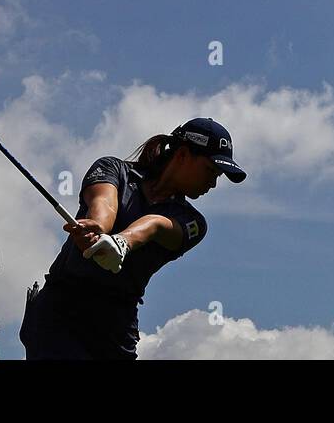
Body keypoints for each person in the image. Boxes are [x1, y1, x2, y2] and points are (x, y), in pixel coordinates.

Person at [19, 117, 246, 359]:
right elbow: (104, 204)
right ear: (182, 155)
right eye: (210, 170)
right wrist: (98, 230)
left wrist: (122, 242)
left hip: (115, 327)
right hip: (59, 312)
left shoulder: (194, 223)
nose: (212, 183)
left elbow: (156, 226)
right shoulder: (113, 169)